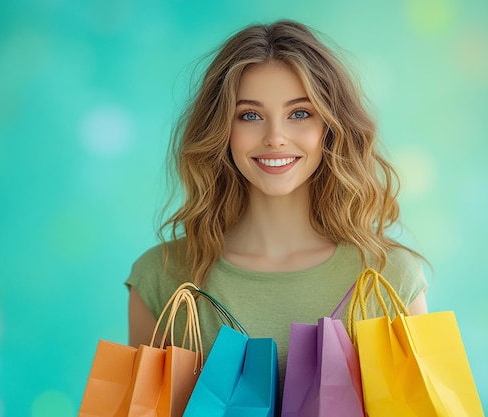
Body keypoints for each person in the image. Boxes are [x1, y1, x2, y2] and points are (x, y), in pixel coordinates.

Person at [125, 19, 428, 386]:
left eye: (300, 113)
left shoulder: (390, 277)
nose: (275, 138)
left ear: (330, 128)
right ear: (222, 131)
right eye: (250, 115)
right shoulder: (161, 278)